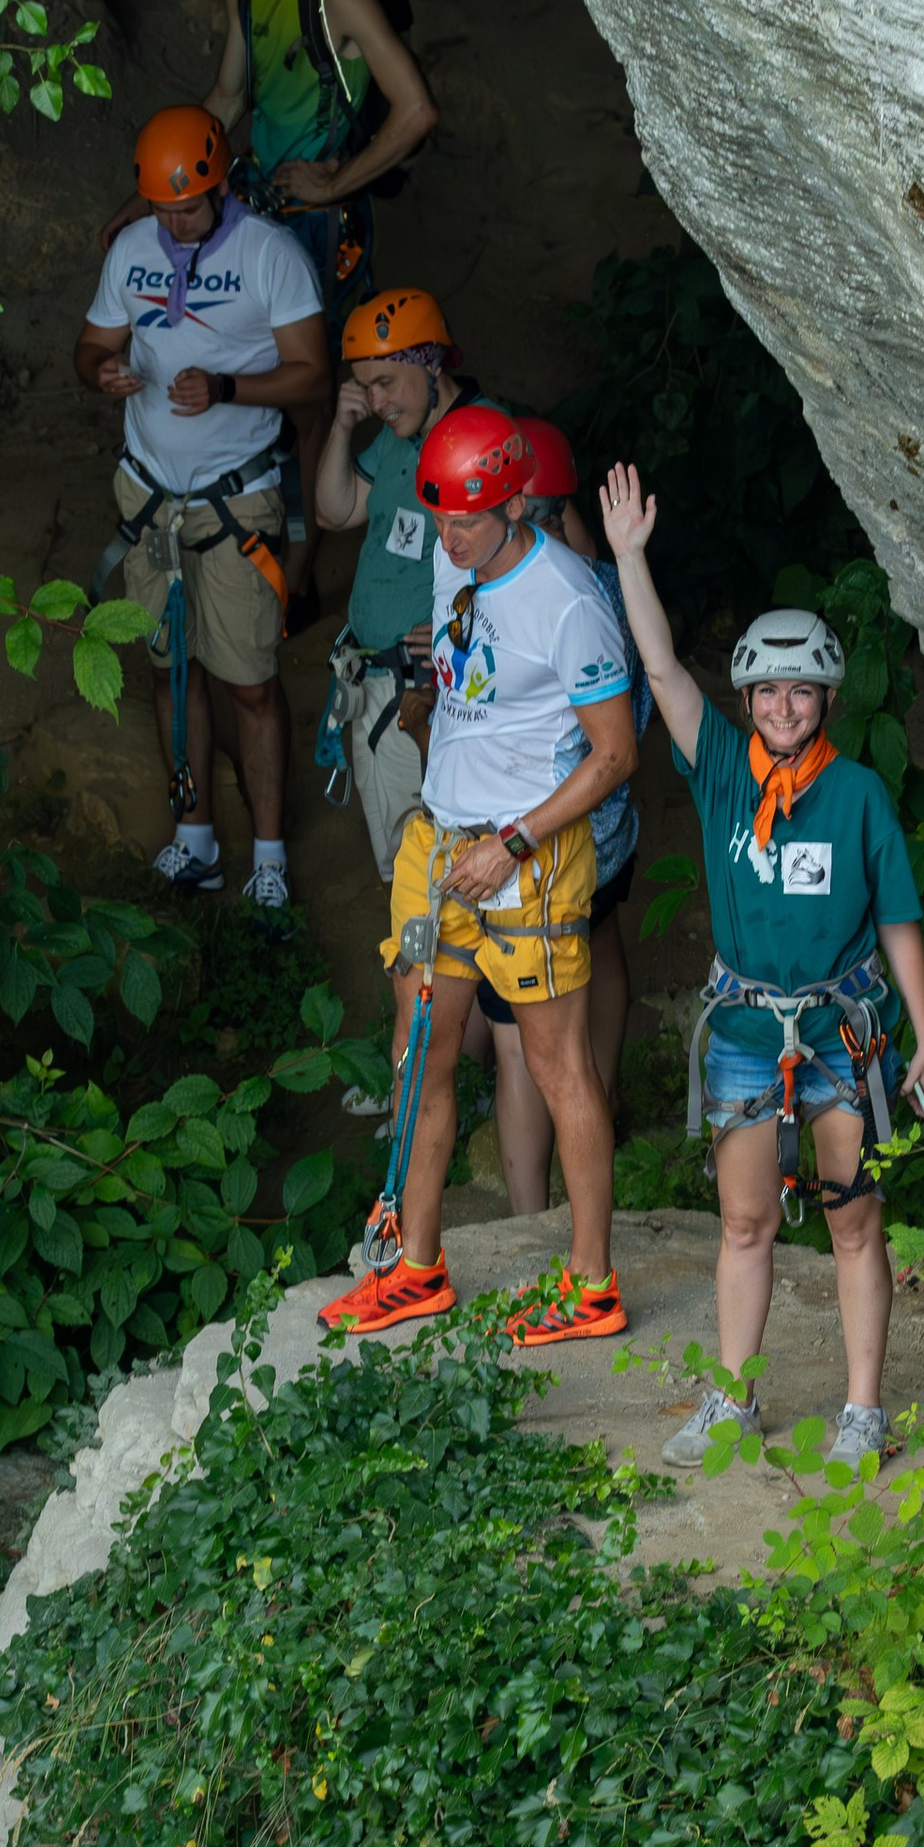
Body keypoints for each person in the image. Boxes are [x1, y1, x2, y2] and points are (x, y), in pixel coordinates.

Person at [597, 463, 924, 1472]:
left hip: (842, 1029)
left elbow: (900, 919)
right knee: (744, 1222)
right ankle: (735, 1399)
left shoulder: (859, 795)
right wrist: (626, 555)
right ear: (745, 696)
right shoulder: (718, 775)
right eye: (767, 689)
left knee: (851, 1223)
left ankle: (862, 1411)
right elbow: (660, 672)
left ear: (825, 697)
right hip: (748, 1025)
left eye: (800, 689)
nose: (784, 705)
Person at [320, 407, 637, 1348]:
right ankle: (417, 1268)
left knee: (555, 1064)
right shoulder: (456, 555)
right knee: (419, 1049)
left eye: (467, 520)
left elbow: (615, 756)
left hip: (527, 862)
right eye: (441, 519)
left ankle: (591, 1285)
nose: (449, 539)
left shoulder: (571, 599)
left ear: (516, 501)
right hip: (437, 847)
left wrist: (516, 838)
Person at [76, 106, 327, 912]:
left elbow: (313, 375)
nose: (174, 222)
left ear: (219, 185)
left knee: (249, 680)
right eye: (161, 208)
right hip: (149, 491)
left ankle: (268, 856)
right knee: (167, 669)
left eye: (187, 206)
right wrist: (102, 372)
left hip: (234, 497)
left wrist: (229, 388)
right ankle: (195, 843)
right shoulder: (133, 249)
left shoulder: (269, 256)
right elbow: (90, 344)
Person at [203, 0, 436, 573]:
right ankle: (253, 540)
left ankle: (296, 575)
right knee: (251, 377)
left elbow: (416, 109)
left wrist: (336, 180)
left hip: (320, 226)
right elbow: (231, 96)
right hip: (259, 210)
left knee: (307, 403)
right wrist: (165, 179)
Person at [486, 420, 645, 1208]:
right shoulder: (599, 580)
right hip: (606, 836)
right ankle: (603, 1110)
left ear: (518, 507)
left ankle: (532, 1206)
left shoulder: (555, 589)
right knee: (602, 944)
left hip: (550, 838)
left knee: (528, 1036)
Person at [310, 287, 461, 889]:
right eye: (364, 386)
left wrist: (461, 627)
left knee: (425, 873)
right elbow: (334, 511)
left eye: (386, 383)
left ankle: (435, 984)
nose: (376, 401)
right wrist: (342, 428)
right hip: (376, 681)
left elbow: (528, 549)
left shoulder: (475, 435)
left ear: (431, 363)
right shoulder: (400, 435)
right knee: (405, 870)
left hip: (422, 691)